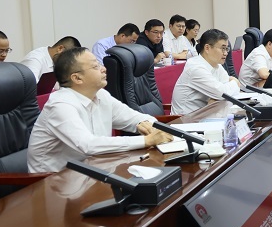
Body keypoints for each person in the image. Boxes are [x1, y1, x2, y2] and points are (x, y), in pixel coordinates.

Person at [27, 47, 172, 173]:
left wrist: (148, 125)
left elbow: (135, 117)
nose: (103, 68)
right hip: (53, 182)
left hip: (93, 170)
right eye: (95, 66)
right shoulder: (60, 105)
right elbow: (88, 145)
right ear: (77, 78)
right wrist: (146, 140)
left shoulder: (101, 95)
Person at [170, 29, 241, 115]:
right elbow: (223, 93)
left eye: (227, 49)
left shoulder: (216, 65)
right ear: (207, 48)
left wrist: (219, 95)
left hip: (204, 114)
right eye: (222, 48)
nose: (226, 53)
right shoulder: (196, 68)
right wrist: (235, 82)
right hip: (186, 119)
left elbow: (226, 92)